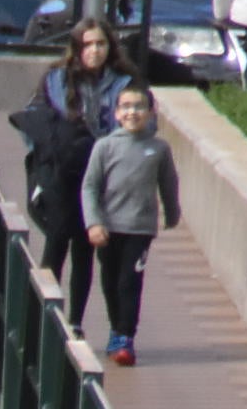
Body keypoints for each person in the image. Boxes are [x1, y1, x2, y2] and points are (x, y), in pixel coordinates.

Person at [13, 19, 127, 319]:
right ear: (76, 49)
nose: (95, 51)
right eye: (88, 44)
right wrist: (49, 156)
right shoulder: (55, 80)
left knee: (84, 250)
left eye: (101, 44)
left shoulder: (122, 82)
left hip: (98, 174)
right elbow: (33, 121)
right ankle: (41, 318)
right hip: (60, 174)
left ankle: (75, 320)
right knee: (56, 241)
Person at [82, 83, 180, 368]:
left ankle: (126, 336)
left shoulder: (158, 148)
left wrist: (172, 213)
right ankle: (115, 330)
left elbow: (169, 183)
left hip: (139, 228)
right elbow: (90, 187)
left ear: (150, 113)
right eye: (125, 107)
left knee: (129, 282)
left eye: (139, 107)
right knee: (110, 282)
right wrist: (94, 223)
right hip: (109, 227)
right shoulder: (105, 146)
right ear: (116, 113)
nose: (132, 112)